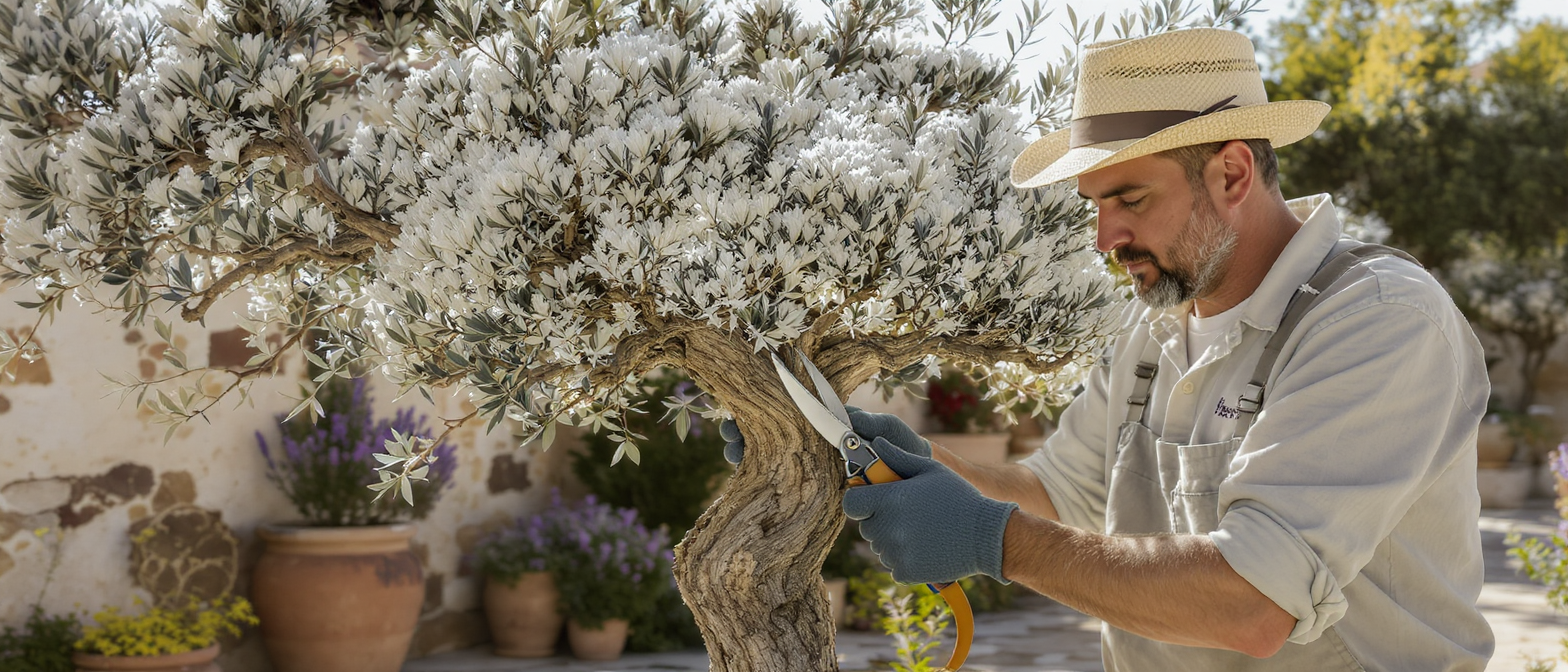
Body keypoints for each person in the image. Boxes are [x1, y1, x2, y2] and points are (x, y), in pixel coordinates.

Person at [725, 27, 1493, 671]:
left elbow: (1253, 603)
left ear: (1232, 171)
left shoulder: (1379, 321)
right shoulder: (1157, 320)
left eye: (1131, 199)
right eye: (1096, 205)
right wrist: (906, 459)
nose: (1105, 238)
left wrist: (994, 540)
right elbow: (1062, 498)